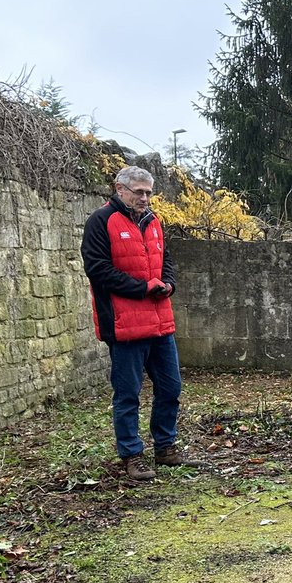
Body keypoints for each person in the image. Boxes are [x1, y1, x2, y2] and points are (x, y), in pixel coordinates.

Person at [81, 165, 185, 481]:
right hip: (124, 325)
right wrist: (142, 288)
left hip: (159, 322)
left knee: (171, 387)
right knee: (128, 394)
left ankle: (165, 447)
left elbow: (165, 261)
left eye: (148, 193)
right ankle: (132, 455)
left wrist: (168, 283)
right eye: (138, 192)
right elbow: (97, 269)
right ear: (120, 188)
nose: (144, 198)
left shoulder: (154, 222)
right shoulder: (101, 221)